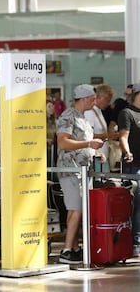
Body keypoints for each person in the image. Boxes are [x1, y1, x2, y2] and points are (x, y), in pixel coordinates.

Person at [56, 84, 104, 264]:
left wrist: (96, 152)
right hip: (71, 169)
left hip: (82, 170)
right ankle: (66, 251)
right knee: (76, 210)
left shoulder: (81, 117)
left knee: (76, 210)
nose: (95, 101)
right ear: (84, 98)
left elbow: (83, 143)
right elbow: (63, 142)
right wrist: (89, 145)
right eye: (92, 98)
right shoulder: (69, 116)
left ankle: (74, 248)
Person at [118, 83, 140, 257]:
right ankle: (135, 241)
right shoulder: (127, 113)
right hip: (134, 165)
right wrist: (127, 152)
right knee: (136, 203)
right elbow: (123, 137)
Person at [84, 84, 117, 168]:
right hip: (95, 158)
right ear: (99, 97)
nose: (108, 103)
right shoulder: (90, 112)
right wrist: (108, 136)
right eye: (107, 100)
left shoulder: (98, 111)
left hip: (101, 158)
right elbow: (87, 136)